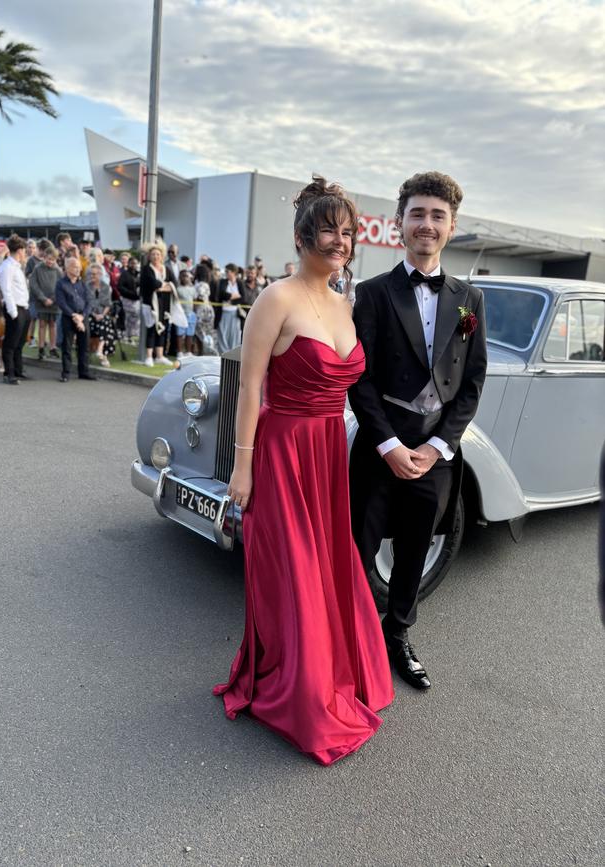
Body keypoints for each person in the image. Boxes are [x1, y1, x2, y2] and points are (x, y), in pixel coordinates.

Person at [214, 176, 393, 765]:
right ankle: (296, 692)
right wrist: (241, 469)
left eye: (347, 233)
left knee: (322, 567)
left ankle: (328, 674)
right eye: (328, 231)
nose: (340, 242)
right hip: (281, 449)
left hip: (325, 454)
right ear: (301, 236)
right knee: (292, 572)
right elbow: (249, 389)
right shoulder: (276, 299)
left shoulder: (347, 303)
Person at [348, 171, 487, 690]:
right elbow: (358, 377)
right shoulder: (373, 293)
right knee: (359, 551)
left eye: (437, 216)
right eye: (417, 214)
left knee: (414, 550)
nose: (426, 225)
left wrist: (435, 447)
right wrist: (387, 444)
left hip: (435, 452)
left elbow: (471, 384)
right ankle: (353, 640)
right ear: (400, 221)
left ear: (451, 227)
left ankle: (397, 635)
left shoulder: (470, 299)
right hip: (380, 445)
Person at [55, 257, 97, 383]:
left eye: (79, 267)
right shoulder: (61, 284)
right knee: (67, 346)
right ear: (67, 268)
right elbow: (61, 303)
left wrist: (82, 316)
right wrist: (74, 316)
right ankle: (66, 372)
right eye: (75, 266)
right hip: (68, 318)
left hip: (82, 317)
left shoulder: (82, 284)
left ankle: (84, 371)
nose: (78, 269)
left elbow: (89, 301)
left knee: (84, 346)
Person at [0, 234, 30, 385]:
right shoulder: (7, 267)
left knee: (20, 342)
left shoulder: (16, 266)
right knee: (10, 343)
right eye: (25, 250)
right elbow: (7, 291)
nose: (25, 254)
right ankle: (9, 373)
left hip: (23, 307)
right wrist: (13, 312)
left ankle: (18, 370)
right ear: (20, 250)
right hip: (14, 308)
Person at [139, 243, 179, 368]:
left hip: (165, 304)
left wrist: (164, 287)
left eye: (158, 254)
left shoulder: (166, 269)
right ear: (149, 256)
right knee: (151, 329)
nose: (156, 256)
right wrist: (165, 286)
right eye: (153, 254)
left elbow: (174, 284)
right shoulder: (147, 269)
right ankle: (149, 356)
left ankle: (160, 356)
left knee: (162, 329)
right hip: (151, 304)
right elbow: (153, 284)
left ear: (162, 256)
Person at [28, 243, 61, 359]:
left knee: (53, 324)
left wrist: (52, 299)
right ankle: (41, 348)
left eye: (52, 260)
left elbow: (61, 286)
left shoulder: (58, 270)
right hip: (41, 302)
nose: (50, 262)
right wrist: (43, 298)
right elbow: (33, 284)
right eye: (48, 259)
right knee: (42, 325)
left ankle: (52, 348)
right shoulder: (38, 268)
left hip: (54, 303)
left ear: (55, 260)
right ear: (44, 257)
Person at [87, 263, 116, 366]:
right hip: (90, 314)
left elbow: (108, 305)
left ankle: (100, 351)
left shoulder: (106, 287)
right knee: (103, 325)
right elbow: (86, 304)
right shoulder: (87, 286)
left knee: (105, 321)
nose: (92, 276)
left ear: (100, 275)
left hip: (102, 314)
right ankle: (103, 356)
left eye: (94, 274)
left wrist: (102, 314)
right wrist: (95, 315)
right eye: (91, 274)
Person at [215, 263, 245, 353]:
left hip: (235, 313)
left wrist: (231, 301)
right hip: (223, 313)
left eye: (227, 271)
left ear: (233, 272)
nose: (226, 273)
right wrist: (235, 295)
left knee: (234, 335)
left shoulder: (239, 283)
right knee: (222, 334)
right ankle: (222, 355)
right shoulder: (223, 281)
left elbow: (243, 297)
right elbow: (221, 294)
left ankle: (232, 355)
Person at [117, 256, 140, 344]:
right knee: (127, 318)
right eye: (132, 263)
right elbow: (120, 287)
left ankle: (132, 336)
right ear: (129, 264)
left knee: (135, 319)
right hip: (127, 299)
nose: (134, 265)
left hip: (137, 300)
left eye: (135, 263)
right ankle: (125, 336)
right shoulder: (125, 274)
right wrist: (130, 293)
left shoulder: (139, 274)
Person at [175, 269, 197, 358]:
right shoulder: (178, 289)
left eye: (187, 276)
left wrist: (194, 313)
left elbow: (195, 301)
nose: (185, 278)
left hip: (191, 314)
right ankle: (180, 352)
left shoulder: (193, 289)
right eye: (183, 276)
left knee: (190, 333)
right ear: (180, 277)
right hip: (181, 314)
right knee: (180, 333)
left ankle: (188, 352)